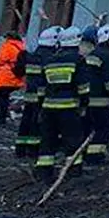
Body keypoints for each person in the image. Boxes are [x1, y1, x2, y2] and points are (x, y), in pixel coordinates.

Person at [36, 27, 85, 179]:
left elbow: (41, 88)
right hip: (69, 108)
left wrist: (41, 106)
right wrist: (84, 105)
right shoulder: (78, 60)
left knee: (48, 140)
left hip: (48, 108)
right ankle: (73, 170)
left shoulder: (50, 60)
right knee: (72, 139)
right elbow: (83, 87)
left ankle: (44, 171)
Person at [80, 25, 109, 167]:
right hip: (101, 102)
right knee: (101, 130)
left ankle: (83, 154)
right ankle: (95, 158)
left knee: (87, 128)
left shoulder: (93, 53)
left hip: (88, 100)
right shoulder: (108, 56)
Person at [14, 28, 53, 158]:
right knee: (38, 123)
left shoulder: (32, 56)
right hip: (42, 96)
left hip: (30, 94)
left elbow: (19, 72)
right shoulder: (49, 57)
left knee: (26, 121)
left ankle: (20, 149)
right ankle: (33, 150)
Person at [0, 31, 26, 127]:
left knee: (2, 98)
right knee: (6, 97)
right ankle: (5, 116)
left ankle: (2, 118)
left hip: (5, 76)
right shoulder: (21, 46)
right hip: (15, 75)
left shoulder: (8, 46)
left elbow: (1, 59)